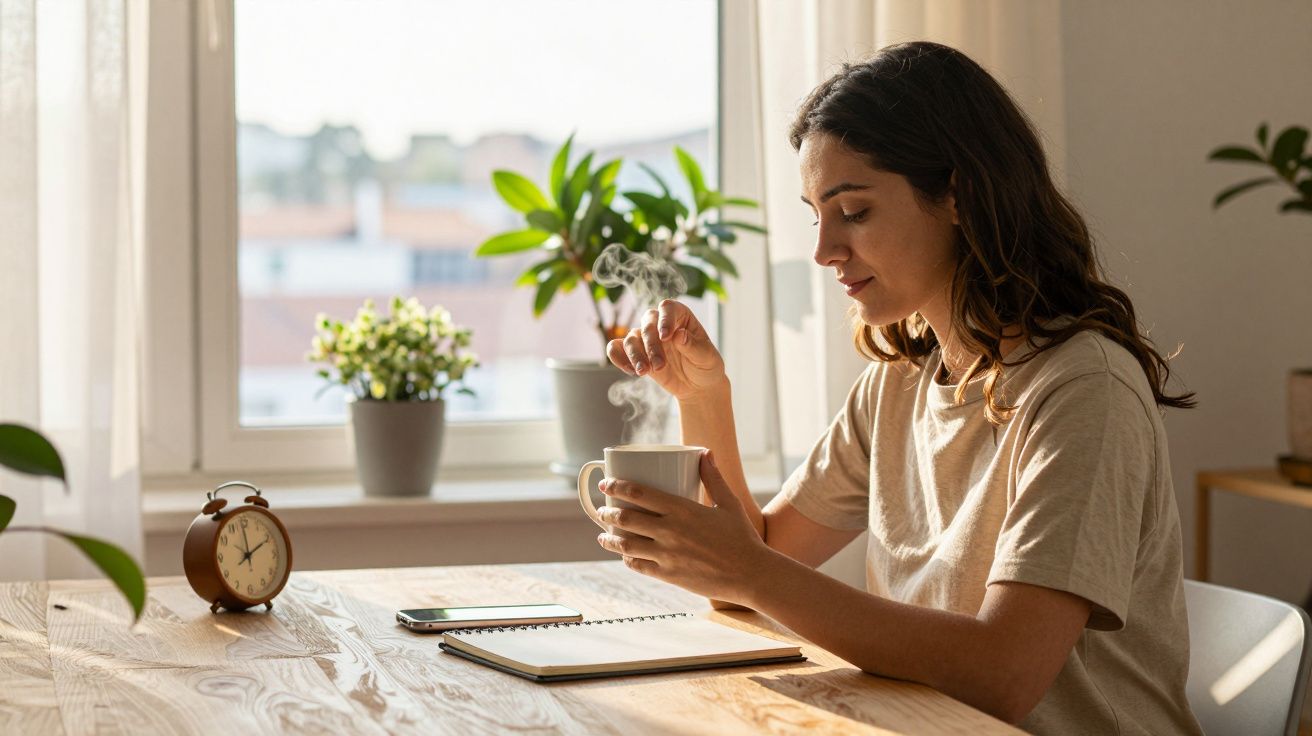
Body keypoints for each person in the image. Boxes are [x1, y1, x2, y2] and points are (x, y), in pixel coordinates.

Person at [596, 41, 1202, 734]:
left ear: (958, 195)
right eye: (815, 215)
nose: (824, 249)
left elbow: (1005, 675)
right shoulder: (897, 385)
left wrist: (748, 571)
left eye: (853, 212)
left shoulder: (1083, 390)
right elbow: (753, 568)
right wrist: (702, 397)